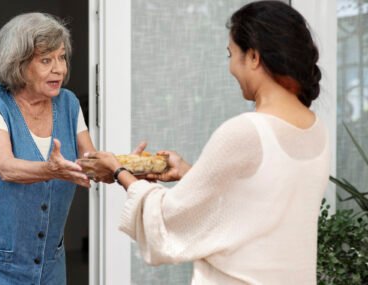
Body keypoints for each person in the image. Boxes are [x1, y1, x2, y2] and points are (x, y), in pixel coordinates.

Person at [79, 1, 330, 284]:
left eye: (231, 54)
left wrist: (119, 171)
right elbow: (260, 198)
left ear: (254, 57)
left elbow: (170, 217)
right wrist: (190, 172)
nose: (230, 67)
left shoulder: (246, 131)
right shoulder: (316, 129)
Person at [0, 12, 94, 284]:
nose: (59, 69)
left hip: (48, 263)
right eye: (46, 60)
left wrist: (126, 167)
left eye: (62, 57)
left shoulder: (69, 104)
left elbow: (89, 161)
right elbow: (5, 167)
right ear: (18, 64)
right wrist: (51, 170)